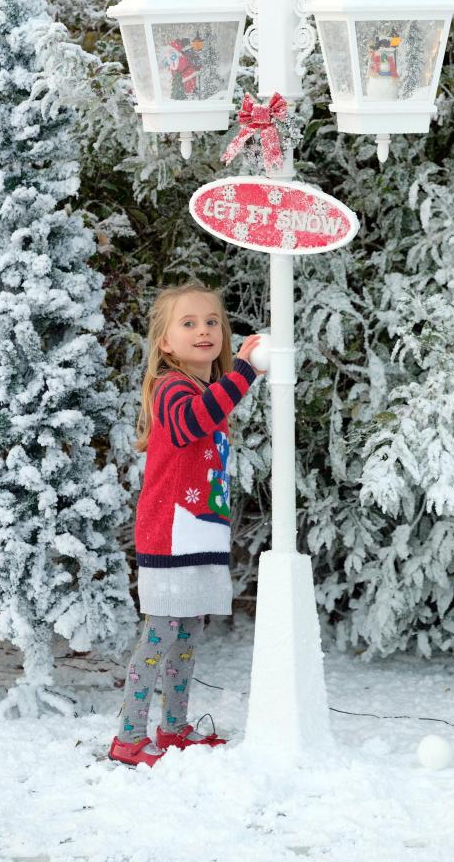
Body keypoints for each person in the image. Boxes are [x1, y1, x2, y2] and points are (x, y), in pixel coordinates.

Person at [109, 281, 266, 767]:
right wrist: (243, 372)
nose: (204, 330)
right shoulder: (171, 387)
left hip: (197, 532)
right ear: (166, 343)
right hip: (169, 533)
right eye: (189, 322)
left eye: (212, 321)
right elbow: (189, 423)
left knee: (187, 636)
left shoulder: (206, 390)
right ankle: (128, 738)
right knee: (160, 634)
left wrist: (238, 377)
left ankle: (173, 727)